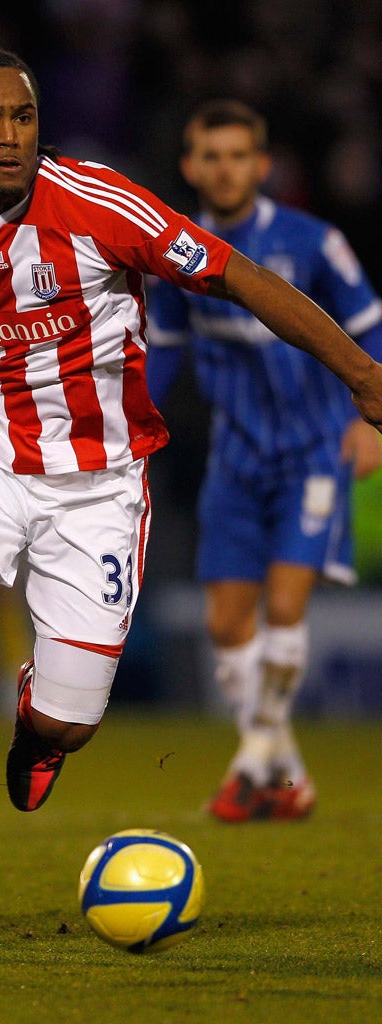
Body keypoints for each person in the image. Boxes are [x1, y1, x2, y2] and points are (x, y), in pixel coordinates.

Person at [0, 47, 382, 957]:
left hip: (97, 486)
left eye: (23, 116)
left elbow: (237, 277)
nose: (9, 136)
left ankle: (41, 728)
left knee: (71, 720)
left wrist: (364, 378)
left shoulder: (99, 203)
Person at [146, 99, 382, 822]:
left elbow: (371, 325)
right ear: (191, 167)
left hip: (311, 452)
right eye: (210, 157)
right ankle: (289, 776)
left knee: (283, 607)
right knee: (227, 624)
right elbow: (163, 356)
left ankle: (250, 766)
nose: (225, 169)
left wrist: (369, 422)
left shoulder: (314, 242)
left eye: (237, 155)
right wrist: (133, 431)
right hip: (234, 461)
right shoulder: (179, 258)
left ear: (262, 164)